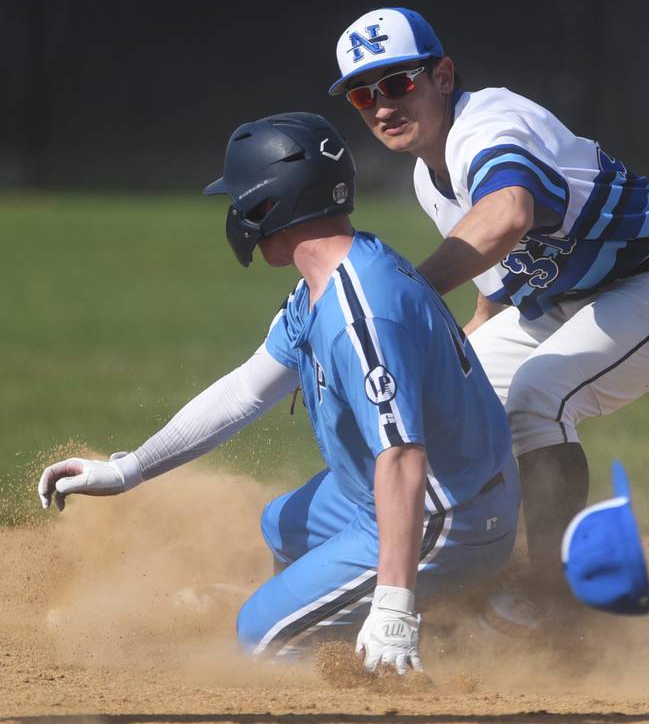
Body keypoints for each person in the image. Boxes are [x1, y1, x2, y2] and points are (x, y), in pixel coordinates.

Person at [37, 112, 520, 674]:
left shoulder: (360, 315)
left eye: (241, 198)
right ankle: (322, 606)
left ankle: (437, 634)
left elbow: (404, 456)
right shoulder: (330, 280)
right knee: (282, 527)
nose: (236, 212)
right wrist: (128, 470)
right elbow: (245, 391)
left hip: (450, 514)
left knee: (260, 639)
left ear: (271, 204)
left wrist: (394, 605)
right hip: (410, 488)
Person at [328, 8, 649, 620]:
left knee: (539, 398)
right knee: (444, 403)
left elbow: (509, 212)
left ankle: (560, 605)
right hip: (558, 302)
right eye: (363, 93)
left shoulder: (492, 124)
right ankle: (460, 571)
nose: (382, 105)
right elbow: (495, 290)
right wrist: (442, 362)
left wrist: (402, 296)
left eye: (398, 82)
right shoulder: (427, 177)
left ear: (442, 75)